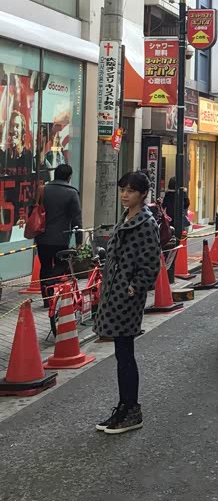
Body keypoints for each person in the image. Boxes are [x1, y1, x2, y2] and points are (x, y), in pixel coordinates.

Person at [93, 172, 161, 435]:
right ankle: (124, 407)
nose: (124, 194)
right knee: (122, 353)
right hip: (115, 293)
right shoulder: (127, 216)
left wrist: (134, 287)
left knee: (125, 354)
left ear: (143, 194)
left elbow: (152, 262)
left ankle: (131, 410)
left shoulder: (146, 223)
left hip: (127, 298)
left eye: (131, 191)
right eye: (123, 189)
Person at [34, 163, 83, 305]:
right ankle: (50, 283)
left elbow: (33, 208)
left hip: (42, 236)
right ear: (69, 177)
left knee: (45, 266)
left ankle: (47, 299)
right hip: (61, 238)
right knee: (62, 264)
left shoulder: (43, 189)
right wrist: (79, 240)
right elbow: (77, 218)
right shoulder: (72, 192)